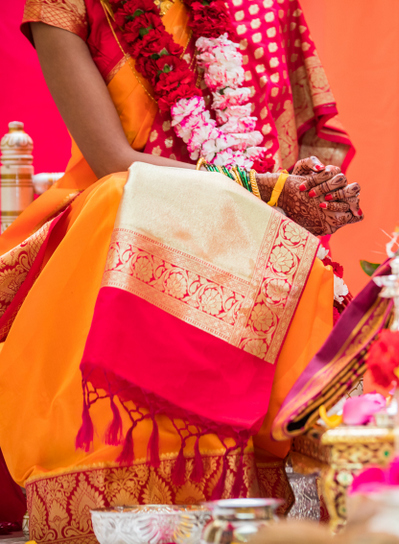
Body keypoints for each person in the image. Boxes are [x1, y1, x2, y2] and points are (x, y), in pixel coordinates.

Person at [0, 0, 362, 540]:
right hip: (120, 214)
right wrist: (269, 190)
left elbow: (291, 142)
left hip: (241, 218)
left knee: (290, 256)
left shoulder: (261, 6)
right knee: (122, 201)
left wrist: (306, 189)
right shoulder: (64, 6)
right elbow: (112, 160)